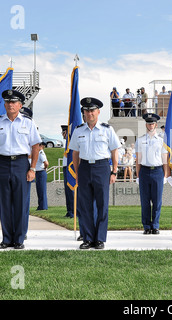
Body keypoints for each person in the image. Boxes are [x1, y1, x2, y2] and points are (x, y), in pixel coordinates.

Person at [0, 89, 41, 250]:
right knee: (5, 203)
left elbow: (35, 146)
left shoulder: (28, 123)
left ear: (20, 105)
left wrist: (32, 169)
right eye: (8, 102)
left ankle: (19, 239)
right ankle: (7, 239)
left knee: (21, 203)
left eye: (14, 102)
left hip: (21, 164)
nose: (10, 104)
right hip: (2, 164)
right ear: (4, 104)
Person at [69, 97, 120, 250]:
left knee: (102, 204)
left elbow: (114, 151)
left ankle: (99, 239)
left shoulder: (107, 130)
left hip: (102, 167)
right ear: (83, 112)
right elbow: (75, 154)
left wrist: (114, 171)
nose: (89, 113)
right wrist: (77, 173)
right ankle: (88, 238)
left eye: (92, 110)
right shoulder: (78, 131)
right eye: (86, 110)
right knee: (85, 206)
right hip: (84, 168)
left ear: (98, 112)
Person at [135, 113, 168, 235]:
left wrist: (165, 175)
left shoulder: (161, 140)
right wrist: (137, 175)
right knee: (145, 201)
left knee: (157, 201)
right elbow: (138, 159)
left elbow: (164, 159)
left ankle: (155, 225)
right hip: (144, 171)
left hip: (157, 171)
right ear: (146, 125)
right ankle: (146, 226)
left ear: (156, 124)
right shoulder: (140, 140)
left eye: (152, 123)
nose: (150, 125)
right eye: (148, 123)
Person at [35, 142, 49, 210]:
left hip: (41, 172)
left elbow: (46, 163)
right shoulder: (38, 152)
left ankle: (43, 206)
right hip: (38, 172)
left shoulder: (41, 153)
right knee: (39, 190)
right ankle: (41, 205)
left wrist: (44, 167)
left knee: (42, 190)